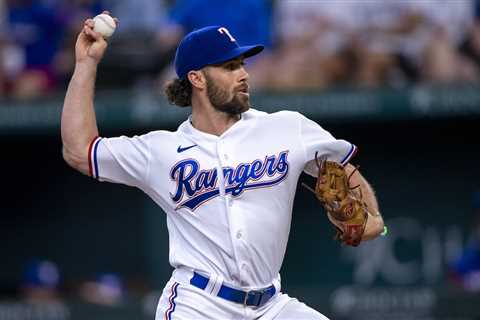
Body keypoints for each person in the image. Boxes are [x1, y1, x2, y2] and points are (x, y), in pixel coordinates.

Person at [61, 13, 384, 319]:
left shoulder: (287, 127)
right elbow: (80, 151)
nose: (243, 74)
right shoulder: (161, 150)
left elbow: (342, 169)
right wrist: (86, 63)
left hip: (271, 305)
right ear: (196, 78)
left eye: (242, 64)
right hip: (198, 304)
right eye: (229, 67)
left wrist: (375, 220)